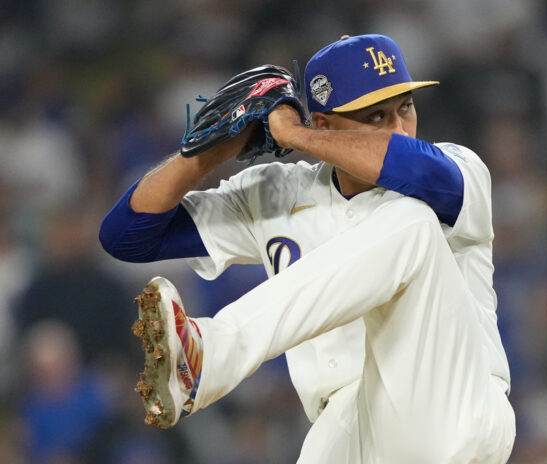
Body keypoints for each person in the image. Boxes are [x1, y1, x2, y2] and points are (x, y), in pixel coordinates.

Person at [100, 34, 515, 463]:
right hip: (344, 430)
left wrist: (294, 134)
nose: (399, 127)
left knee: (413, 222)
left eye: (405, 107)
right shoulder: (277, 193)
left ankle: (214, 353)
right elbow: (127, 236)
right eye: (376, 115)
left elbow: (414, 167)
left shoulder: (458, 170)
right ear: (324, 124)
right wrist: (207, 154)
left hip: (450, 405)